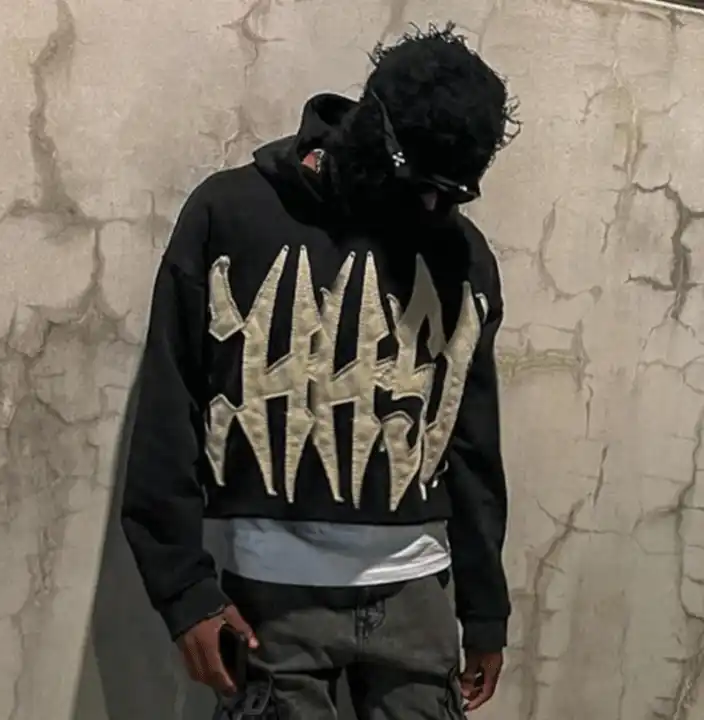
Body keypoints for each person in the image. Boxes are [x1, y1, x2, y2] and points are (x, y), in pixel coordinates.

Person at [122, 22, 518, 719]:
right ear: (374, 131)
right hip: (273, 596)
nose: (434, 209)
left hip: (419, 591)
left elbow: (469, 438)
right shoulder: (232, 214)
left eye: (454, 194)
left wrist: (485, 609)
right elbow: (169, 403)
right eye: (422, 186)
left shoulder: (460, 254)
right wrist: (183, 591)